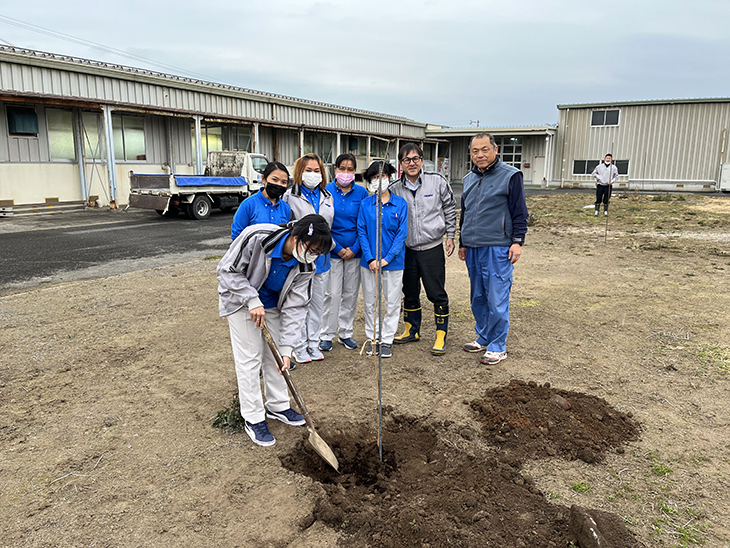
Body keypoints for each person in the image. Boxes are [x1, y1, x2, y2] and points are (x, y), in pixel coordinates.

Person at [217, 214, 332, 446]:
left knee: (278, 357)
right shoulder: (257, 237)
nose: (314, 255)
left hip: (273, 305)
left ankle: (278, 406)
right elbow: (226, 271)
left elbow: (296, 307)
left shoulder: (306, 265)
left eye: (319, 252)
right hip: (241, 302)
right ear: (296, 236)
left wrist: (288, 349)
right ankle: (253, 417)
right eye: (313, 248)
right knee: (250, 358)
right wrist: (251, 300)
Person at [458, 133, 528, 366]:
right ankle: (484, 335)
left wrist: (517, 241)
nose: (480, 154)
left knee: (497, 295)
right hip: (473, 246)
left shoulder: (511, 176)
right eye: (475, 150)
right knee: (478, 295)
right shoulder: (468, 179)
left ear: (495, 150)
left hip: (498, 246)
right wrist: (462, 241)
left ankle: (498, 344)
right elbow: (466, 212)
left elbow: (519, 211)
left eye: (485, 149)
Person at [390, 143, 457, 355]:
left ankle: (440, 334)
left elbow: (450, 208)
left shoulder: (437, 182)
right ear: (400, 163)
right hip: (407, 250)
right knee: (409, 292)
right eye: (407, 160)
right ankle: (412, 329)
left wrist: (451, 236)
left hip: (432, 248)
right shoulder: (394, 189)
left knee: (436, 292)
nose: (412, 163)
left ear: (422, 160)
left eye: (416, 158)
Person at [283, 153, 335, 365]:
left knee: (317, 303)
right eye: (308, 170)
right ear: (299, 172)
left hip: (321, 260)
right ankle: (298, 345)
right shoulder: (290, 196)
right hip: (300, 260)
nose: (313, 175)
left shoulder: (327, 196)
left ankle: (313, 342)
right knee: (299, 302)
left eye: (317, 171)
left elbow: (329, 228)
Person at [357, 161, 408, 359]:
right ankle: (373, 337)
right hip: (369, 263)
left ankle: (387, 339)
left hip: (393, 263)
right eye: (375, 177)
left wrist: (386, 259)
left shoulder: (400, 204)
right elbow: (362, 231)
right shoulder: (365, 205)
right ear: (369, 181)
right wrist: (370, 258)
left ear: (390, 177)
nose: (379, 180)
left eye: (383, 176)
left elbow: (401, 234)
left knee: (392, 302)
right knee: (371, 301)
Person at [319, 153, 368, 351]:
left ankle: (345, 333)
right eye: (342, 168)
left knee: (350, 293)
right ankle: (326, 334)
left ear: (354, 172)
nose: (346, 173)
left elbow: (364, 224)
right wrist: (337, 248)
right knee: (331, 294)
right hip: (332, 252)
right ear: (335, 169)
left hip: (355, 253)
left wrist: (355, 248)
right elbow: (323, 224)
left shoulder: (362, 193)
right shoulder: (326, 191)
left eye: (350, 169)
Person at [231, 161, 291, 240]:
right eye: (275, 180)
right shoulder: (248, 205)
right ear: (264, 179)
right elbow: (237, 236)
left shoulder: (285, 208)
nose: (279, 184)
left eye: (284, 182)